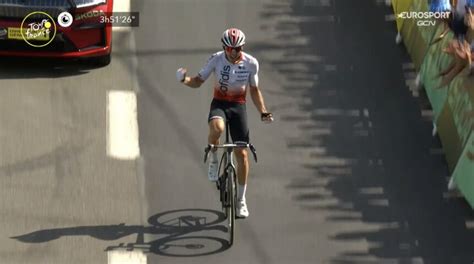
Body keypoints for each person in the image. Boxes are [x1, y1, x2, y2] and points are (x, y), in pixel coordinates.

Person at [175, 28, 273, 218]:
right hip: (220, 103)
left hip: (238, 106)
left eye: (239, 48)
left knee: (242, 154)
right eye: (231, 49)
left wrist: (263, 111)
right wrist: (184, 80)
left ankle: (241, 200)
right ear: (225, 48)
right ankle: (213, 156)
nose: (235, 52)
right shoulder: (216, 59)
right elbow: (198, 81)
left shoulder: (251, 63)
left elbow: (254, 90)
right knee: (217, 128)